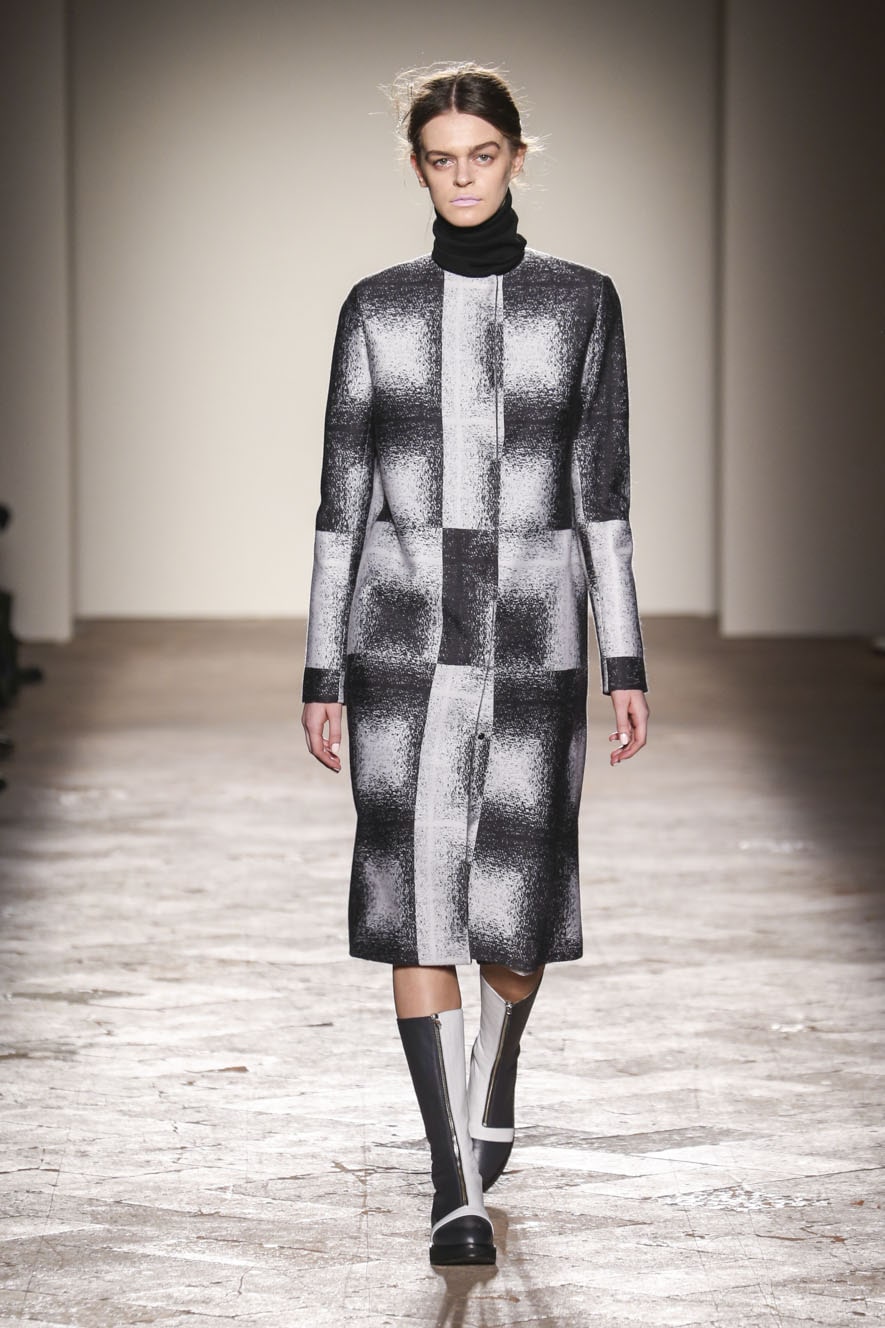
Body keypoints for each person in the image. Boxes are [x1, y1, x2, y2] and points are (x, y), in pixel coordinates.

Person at [301, 62, 649, 1267]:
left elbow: (603, 496)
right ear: (419, 167)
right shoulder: (377, 308)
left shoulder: (582, 303)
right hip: (399, 646)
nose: (462, 177)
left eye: (482, 156)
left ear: (515, 158)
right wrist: (321, 671)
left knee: (515, 916)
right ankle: (454, 1181)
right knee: (416, 908)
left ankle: (495, 1071)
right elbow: (341, 504)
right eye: (442, 159)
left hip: (537, 646)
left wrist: (624, 656)